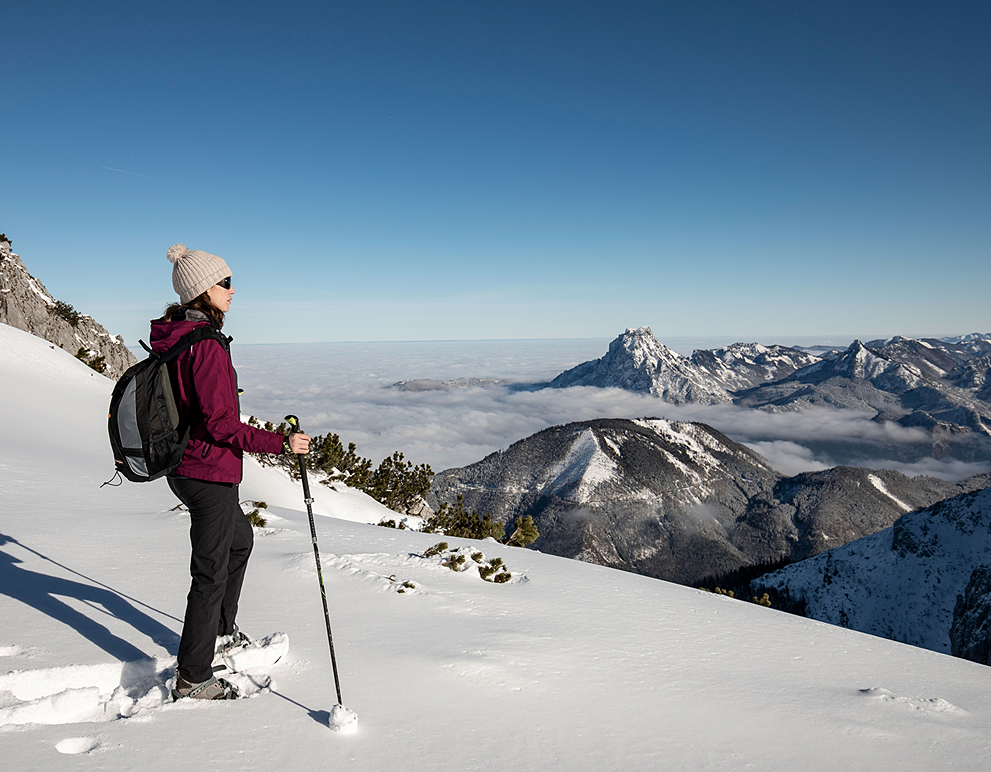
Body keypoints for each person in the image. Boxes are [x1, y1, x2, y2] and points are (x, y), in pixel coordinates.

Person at [152, 243, 310, 701]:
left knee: (240, 540)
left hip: (186, 465)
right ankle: (193, 676)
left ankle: (221, 629)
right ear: (203, 289)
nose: (232, 290)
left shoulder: (178, 336)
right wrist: (281, 443)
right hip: (207, 472)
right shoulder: (206, 346)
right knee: (210, 572)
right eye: (225, 282)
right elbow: (222, 425)